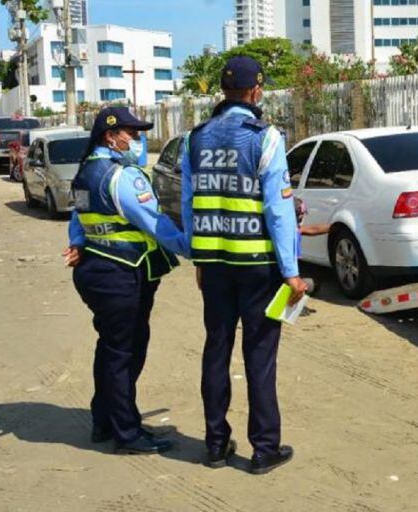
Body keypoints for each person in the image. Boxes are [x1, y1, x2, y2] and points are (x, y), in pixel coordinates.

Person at [180, 55, 306, 474]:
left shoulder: (194, 139)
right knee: (260, 356)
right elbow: (278, 210)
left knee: (216, 349)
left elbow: (189, 204)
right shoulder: (265, 138)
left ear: (223, 91)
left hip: (214, 265)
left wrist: (199, 258)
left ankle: (216, 444)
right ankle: (264, 448)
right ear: (256, 91)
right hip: (257, 266)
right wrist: (291, 272)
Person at [64, 107, 190, 455]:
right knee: (125, 353)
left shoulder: (86, 171)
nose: (137, 140)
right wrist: (193, 249)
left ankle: (105, 420)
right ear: (111, 136)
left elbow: (79, 217)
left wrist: (78, 242)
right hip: (121, 273)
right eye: (132, 134)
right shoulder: (123, 177)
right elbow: (155, 223)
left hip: (97, 270)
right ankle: (127, 432)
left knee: (110, 349)